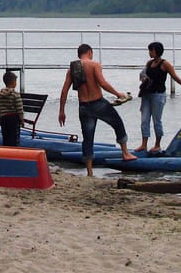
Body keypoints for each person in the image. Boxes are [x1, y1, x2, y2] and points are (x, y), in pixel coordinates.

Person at [58, 43, 136, 176]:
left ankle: (89, 171)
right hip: (98, 103)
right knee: (118, 124)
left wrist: (62, 111)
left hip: (83, 106)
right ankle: (125, 153)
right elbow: (103, 83)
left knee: (88, 138)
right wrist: (118, 94)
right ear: (90, 52)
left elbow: (64, 91)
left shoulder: (72, 69)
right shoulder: (94, 65)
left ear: (79, 55)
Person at [135, 41, 181, 152]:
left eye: (151, 50)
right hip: (147, 94)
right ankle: (144, 144)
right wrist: (144, 79)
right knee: (144, 120)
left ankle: (157, 144)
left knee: (157, 120)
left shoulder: (165, 64)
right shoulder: (149, 63)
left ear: (156, 51)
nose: (150, 53)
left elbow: (175, 77)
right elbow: (142, 74)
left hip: (158, 95)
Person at [0, 71, 25, 146]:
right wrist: (22, 120)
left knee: (6, 138)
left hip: (4, 119)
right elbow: (19, 109)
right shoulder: (15, 94)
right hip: (13, 119)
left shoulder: (0, 94)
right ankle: (15, 152)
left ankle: (6, 152)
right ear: (14, 82)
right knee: (14, 139)